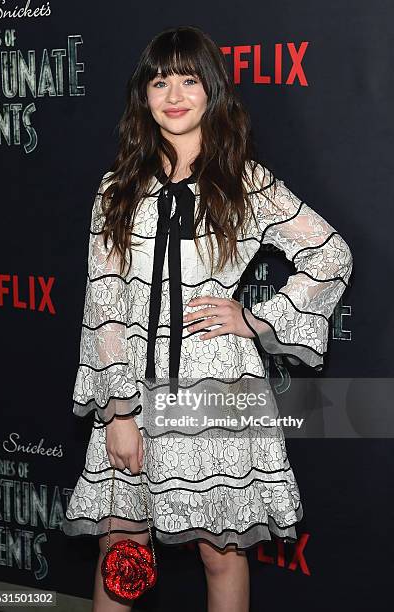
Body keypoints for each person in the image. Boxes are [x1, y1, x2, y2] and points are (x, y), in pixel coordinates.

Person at [61, 25, 353, 612]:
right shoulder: (117, 188)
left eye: (189, 80)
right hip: (133, 385)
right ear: (143, 95)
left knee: (220, 551)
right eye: (159, 80)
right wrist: (118, 411)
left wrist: (256, 319)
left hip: (215, 384)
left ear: (211, 91)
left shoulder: (245, 181)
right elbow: (103, 306)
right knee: (122, 543)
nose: (173, 94)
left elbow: (330, 253)